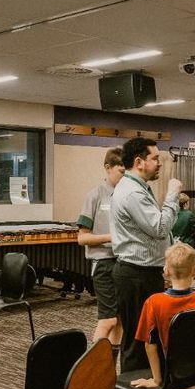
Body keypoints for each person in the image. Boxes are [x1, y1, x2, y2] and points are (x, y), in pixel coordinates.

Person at [110, 137, 183, 389]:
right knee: (137, 343)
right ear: (139, 162)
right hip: (135, 275)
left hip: (144, 272)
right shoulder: (132, 193)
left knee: (150, 339)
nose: (159, 164)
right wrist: (173, 196)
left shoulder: (139, 188)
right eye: (155, 159)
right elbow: (159, 226)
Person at [129, 243, 195, 389]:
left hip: (168, 369)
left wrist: (157, 380)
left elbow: (149, 344)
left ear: (165, 271)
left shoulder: (154, 302)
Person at [76, 147, 125, 347]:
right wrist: (111, 238)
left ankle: (109, 369)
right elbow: (82, 238)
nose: (125, 176)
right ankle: (92, 369)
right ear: (108, 167)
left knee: (121, 321)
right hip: (104, 264)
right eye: (121, 171)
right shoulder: (94, 196)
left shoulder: (127, 196)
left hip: (124, 263)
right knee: (108, 320)